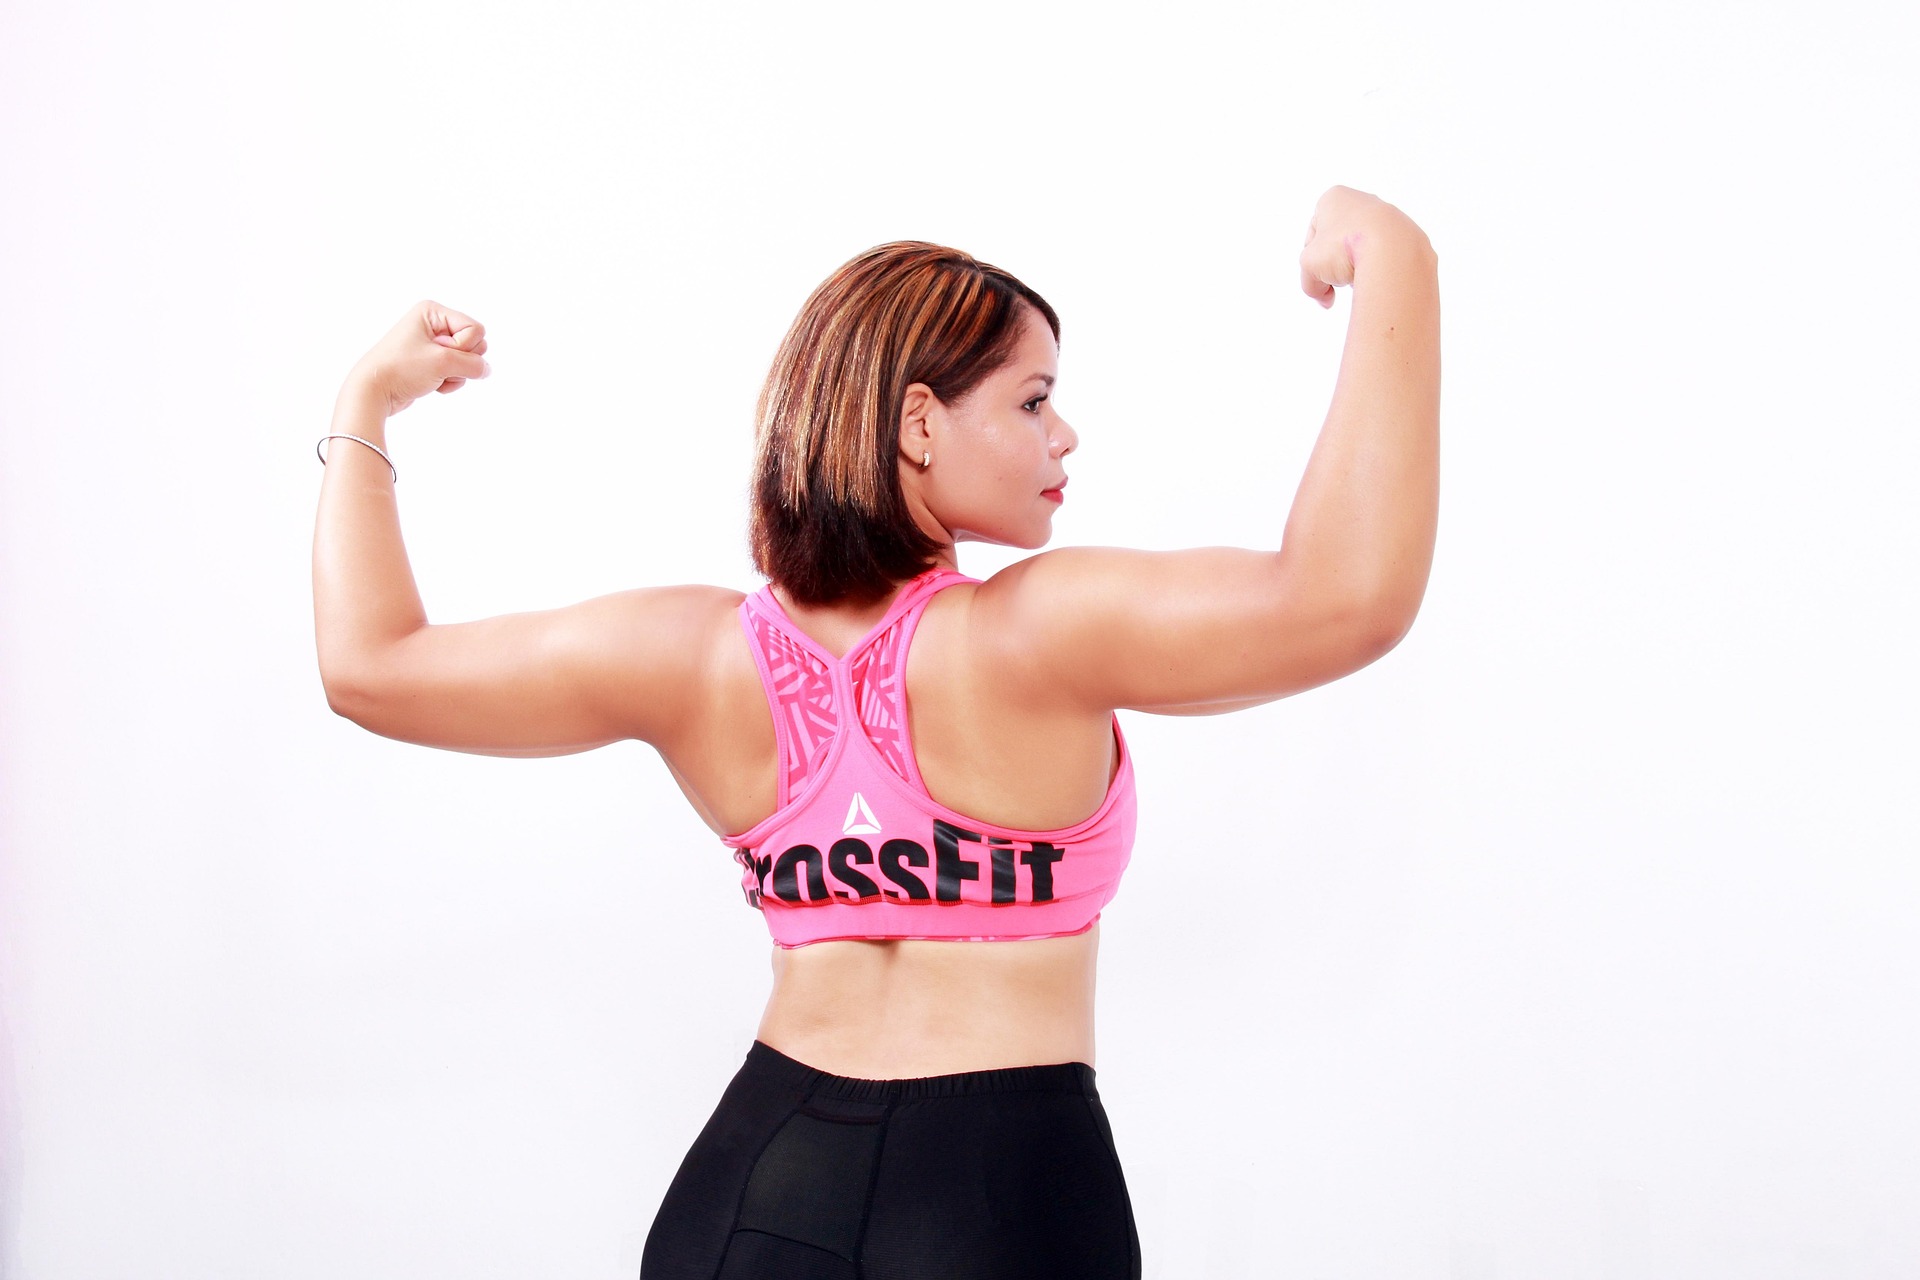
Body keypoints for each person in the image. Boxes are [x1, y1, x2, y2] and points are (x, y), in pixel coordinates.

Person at [311, 183, 1440, 1280]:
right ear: (918, 422)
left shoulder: (691, 655)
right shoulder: (1039, 630)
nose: (1065, 434)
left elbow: (373, 669)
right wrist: (1393, 254)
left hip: (756, 1186)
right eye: (1033, 401)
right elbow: (1345, 598)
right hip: (1001, 1202)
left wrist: (366, 404)